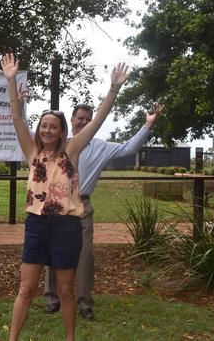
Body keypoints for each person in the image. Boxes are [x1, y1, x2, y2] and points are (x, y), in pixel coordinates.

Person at [1, 53, 129, 341]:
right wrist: (11, 81)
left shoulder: (71, 152)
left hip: (66, 227)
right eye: (43, 125)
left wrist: (114, 89)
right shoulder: (32, 153)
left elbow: (96, 122)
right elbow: (16, 117)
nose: (47, 129)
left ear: (61, 132)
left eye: (53, 127)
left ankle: (70, 338)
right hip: (36, 225)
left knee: (66, 290)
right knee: (26, 289)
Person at [44, 103, 164, 321]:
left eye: (87, 119)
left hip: (82, 207)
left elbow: (129, 148)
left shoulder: (101, 147)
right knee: (54, 252)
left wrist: (148, 125)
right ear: (71, 120)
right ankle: (52, 299)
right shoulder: (59, 144)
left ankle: (84, 302)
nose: (83, 122)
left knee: (85, 256)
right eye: (79, 118)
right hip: (57, 206)